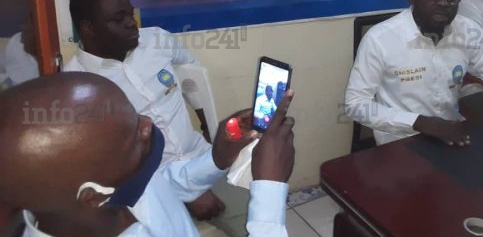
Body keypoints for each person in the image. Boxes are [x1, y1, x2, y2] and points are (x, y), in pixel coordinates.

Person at [0, 72, 295, 236]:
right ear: (93, 196)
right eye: (131, 138)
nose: (146, 125)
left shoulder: (116, 184)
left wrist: (218, 157)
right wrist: (269, 187)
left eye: (133, 114)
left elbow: (161, 185)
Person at [64, 0, 223, 220]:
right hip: (150, 189)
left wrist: (210, 130)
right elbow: (100, 165)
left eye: (131, 13)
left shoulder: (158, 40)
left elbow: (193, 79)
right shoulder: (75, 85)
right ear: (89, 27)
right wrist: (187, 193)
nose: (132, 23)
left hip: (203, 157)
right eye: (119, 18)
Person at [345, 0, 483, 146]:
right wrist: (419, 122)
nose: (443, 3)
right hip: (401, 141)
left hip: (453, 134)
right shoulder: (380, 39)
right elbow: (355, 104)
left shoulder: (466, 30)